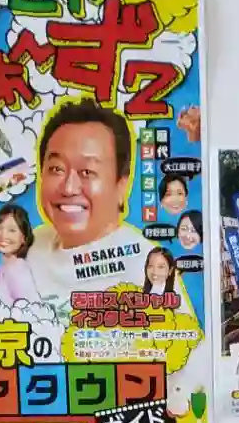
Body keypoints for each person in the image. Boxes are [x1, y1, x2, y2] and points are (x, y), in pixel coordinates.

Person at [26, 99, 151, 300]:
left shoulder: (147, 268)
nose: (69, 188)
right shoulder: (32, 244)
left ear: (122, 185)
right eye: (56, 169)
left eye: (87, 172)